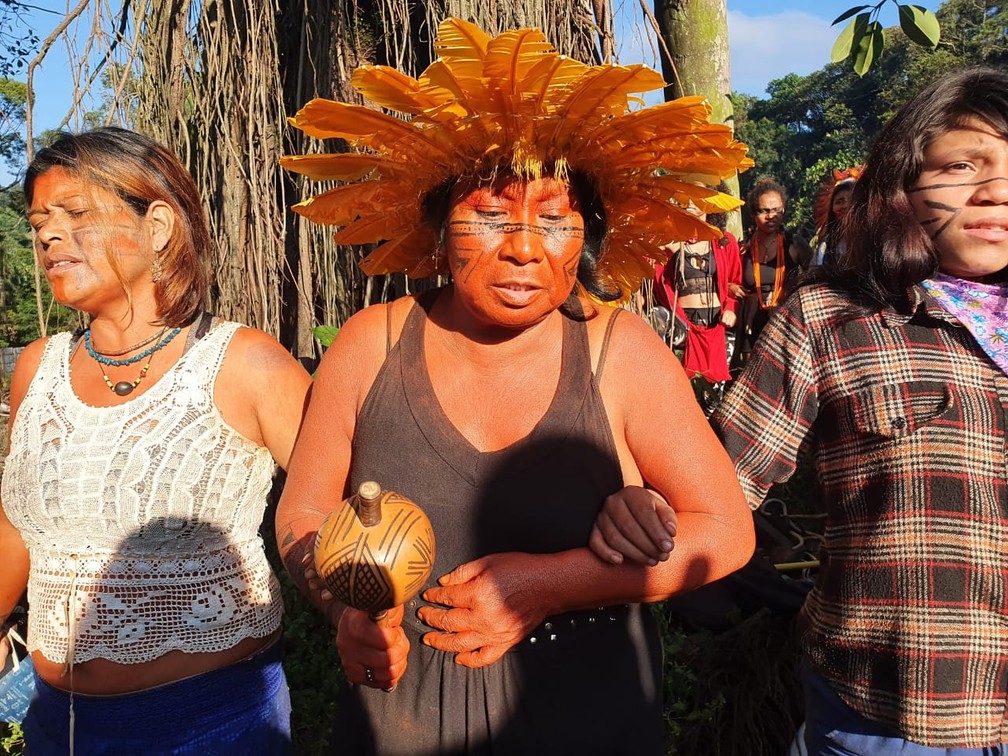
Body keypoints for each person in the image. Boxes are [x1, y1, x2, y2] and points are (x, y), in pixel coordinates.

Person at [274, 17, 756, 756]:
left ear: (588, 237)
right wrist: (343, 603)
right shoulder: (370, 345)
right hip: (399, 728)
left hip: (591, 725)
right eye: (490, 216)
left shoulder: (619, 351)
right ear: (436, 230)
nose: (525, 248)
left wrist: (553, 584)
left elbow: (723, 532)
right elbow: (304, 511)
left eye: (557, 223)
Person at [588, 66, 1008, 755]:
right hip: (894, 715)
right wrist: (634, 510)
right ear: (900, 182)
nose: (996, 190)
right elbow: (715, 487)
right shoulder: (832, 318)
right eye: (965, 165)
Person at [0, 127, 311, 753]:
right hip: (55, 722)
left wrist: (362, 609)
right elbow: (18, 527)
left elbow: (326, 509)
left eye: (76, 214)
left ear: (160, 225)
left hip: (212, 724)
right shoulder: (38, 366)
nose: (49, 235)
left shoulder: (242, 362)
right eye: (39, 222)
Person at [653, 182, 742, 385]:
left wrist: (731, 308)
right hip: (681, 328)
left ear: (711, 201)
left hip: (717, 326)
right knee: (682, 391)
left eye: (698, 195)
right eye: (685, 196)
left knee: (714, 399)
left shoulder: (724, 241)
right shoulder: (669, 242)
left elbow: (735, 284)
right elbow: (651, 276)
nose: (690, 202)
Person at [732, 176, 811, 369]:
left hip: (786, 319)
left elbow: (814, 276)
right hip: (751, 322)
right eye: (764, 211)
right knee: (752, 374)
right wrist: (731, 287)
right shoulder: (744, 248)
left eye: (776, 210)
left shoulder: (794, 244)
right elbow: (727, 277)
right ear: (753, 213)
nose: (771, 216)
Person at [810, 168, 861, 268]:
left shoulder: (873, 239)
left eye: (851, 201)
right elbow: (813, 274)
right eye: (839, 201)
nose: (845, 206)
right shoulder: (825, 247)